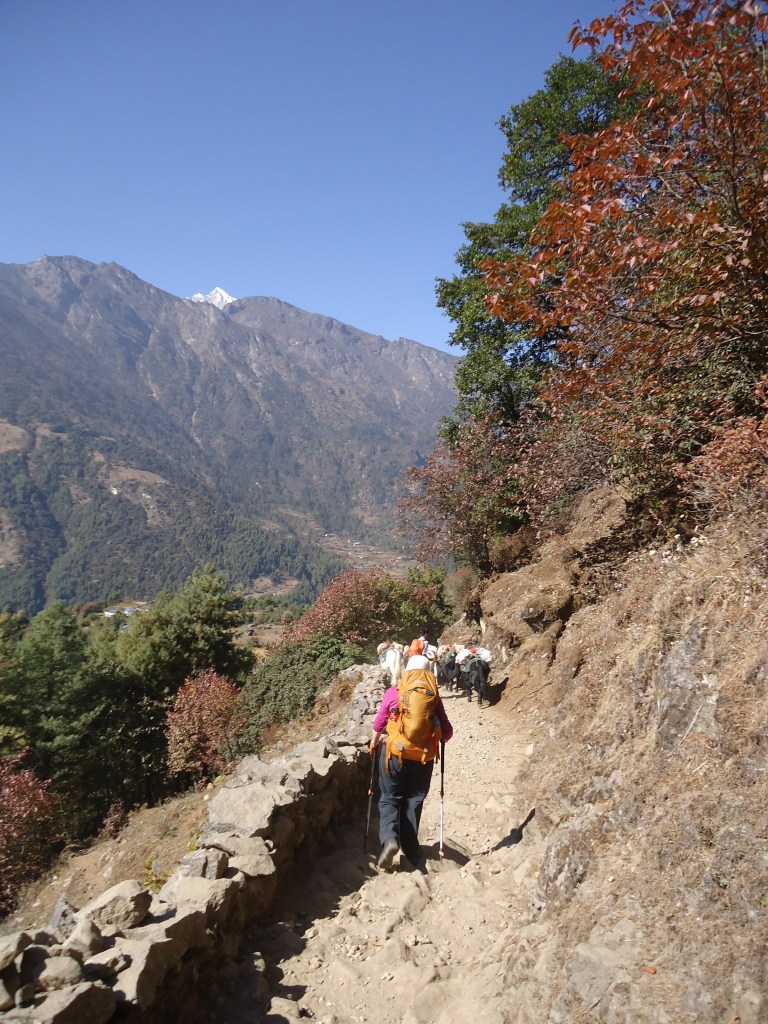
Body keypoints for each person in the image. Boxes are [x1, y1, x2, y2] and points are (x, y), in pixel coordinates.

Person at [370, 652, 453, 871]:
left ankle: (389, 840)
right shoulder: (432, 697)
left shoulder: (393, 692)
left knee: (389, 798)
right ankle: (411, 850)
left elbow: (379, 724)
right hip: (423, 757)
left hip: (394, 755)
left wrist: (373, 744)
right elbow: (447, 733)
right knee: (414, 800)